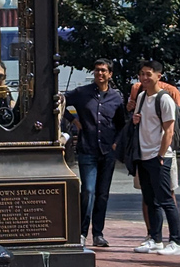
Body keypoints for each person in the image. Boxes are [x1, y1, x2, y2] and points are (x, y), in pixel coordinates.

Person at [63, 58, 126, 247]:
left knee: (102, 193)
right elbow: (60, 101)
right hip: (87, 148)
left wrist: (116, 144)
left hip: (107, 150)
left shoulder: (116, 97)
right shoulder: (83, 93)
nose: (100, 74)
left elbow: (122, 124)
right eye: (97, 70)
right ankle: (82, 232)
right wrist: (73, 120)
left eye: (104, 71)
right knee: (88, 191)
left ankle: (98, 233)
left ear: (110, 74)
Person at [132, 60, 180, 257]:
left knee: (166, 200)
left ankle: (176, 241)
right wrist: (136, 119)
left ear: (159, 76)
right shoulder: (142, 96)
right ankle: (155, 239)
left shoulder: (165, 99)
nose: (145, 78)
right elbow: (140, 120)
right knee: (150, 200)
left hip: (159, 156)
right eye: (142, 74)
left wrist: (161, 155)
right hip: (143, 155)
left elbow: (169, 131)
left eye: (149, 74)